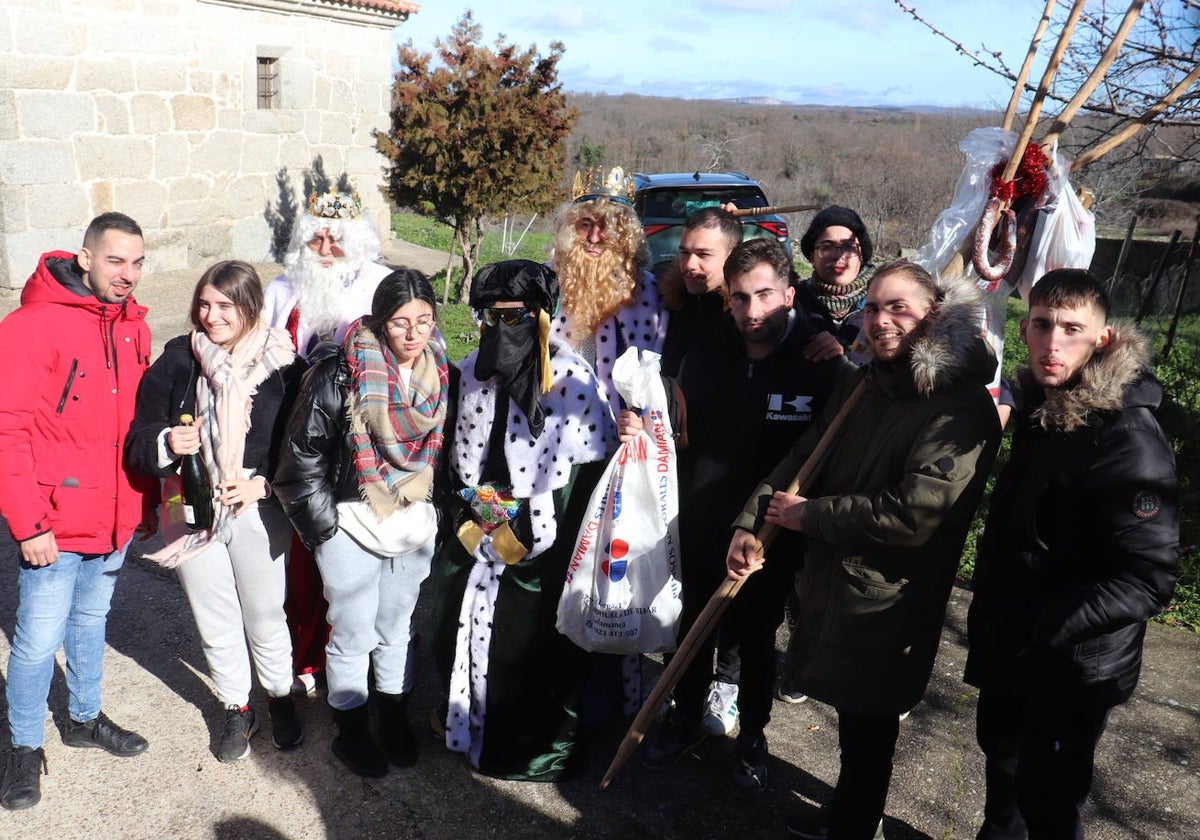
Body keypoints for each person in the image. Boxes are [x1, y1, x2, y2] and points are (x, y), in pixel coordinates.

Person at [727, 259, 1002, 839]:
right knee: (854, 723)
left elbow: (917, 513)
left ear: (936, 315)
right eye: (874, 307)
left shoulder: (961, 408)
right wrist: (754, 521)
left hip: (889, 596)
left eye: (899, 307)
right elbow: (807, 455)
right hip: (836, 577)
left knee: (871, 725)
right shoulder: (863, 382)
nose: (881, 321)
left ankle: (854, 830)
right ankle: (848, 822)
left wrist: (808, 517)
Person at [964, 268, 1179, 840]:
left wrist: (1046, 628)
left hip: (1069, 665)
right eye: (1040, 325)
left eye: (1071, 328)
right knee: (1004, 773)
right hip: (1017, 647)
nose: (1052, 343)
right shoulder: (1046, 408)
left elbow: (1148, 576)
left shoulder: (1127, 436)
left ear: (1102, 339)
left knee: (1050, 803)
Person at [640, 238, 853, 795]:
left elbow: (830, 448)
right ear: (727, 300)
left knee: (757, 636)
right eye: (739, 298)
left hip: (771, 533)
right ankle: (684, 717)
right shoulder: (706, 354)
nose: (752, 311)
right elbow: (673, 432)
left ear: (789, 293)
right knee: (691, 626)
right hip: (702, 518)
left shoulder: (821, 362)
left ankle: (752, 735)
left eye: (764, 295)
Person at [429, 259, 616, 781]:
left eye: (513, 317)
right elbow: (456, 457)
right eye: (488, 317)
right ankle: (463, 722)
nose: (498, 328)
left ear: (539, 316)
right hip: (475, 528)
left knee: (528, 647)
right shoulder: (469, 372)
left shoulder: (573, 383)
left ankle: (527, 748)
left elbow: (583, 484)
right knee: (448, 623)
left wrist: (528, 530)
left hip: (543, 547)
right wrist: (478, 508)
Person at [0, 212, 154, 811]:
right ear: (84, 257)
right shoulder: (30, 326)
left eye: (138, 263)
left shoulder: (133, 329)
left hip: (112, 516)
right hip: (54, 521)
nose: (128, 275)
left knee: (91, 624)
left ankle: (84, 718)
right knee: (37, 640)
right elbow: (7, 430)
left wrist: (143, 502)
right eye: (115, 260)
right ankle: (20, 747)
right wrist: (29, 521)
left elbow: (138, 428)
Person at [273, 269, 452, 779]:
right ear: (380, 321)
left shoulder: (442, 374)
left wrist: (438, 512)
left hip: (411, 524)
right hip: (352, 521)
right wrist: (325, 530)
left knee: (397, 628)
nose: (414, 334)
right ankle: (350, 732)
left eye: (424, 321)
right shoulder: (341, 372)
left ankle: (393, 716)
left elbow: (449, 457)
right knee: (352, 632)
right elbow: (300, 458)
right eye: (400, 323)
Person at [125, 260, 303, 764]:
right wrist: (166, 440)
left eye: (224, 305)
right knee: (214, 616)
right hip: (189, 507)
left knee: (266, 613)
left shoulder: (283, 366)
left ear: (250, 307)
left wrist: (261, 486)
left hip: (254, 507)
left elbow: (301, 447)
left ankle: (280, 695)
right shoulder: (180, 359)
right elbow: (139, 434)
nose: (211, 316)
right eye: (204, 304)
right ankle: (236, 706)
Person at [263, 187, 392, 693]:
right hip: (296, 443)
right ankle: (305, 655)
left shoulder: (384, 286)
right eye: (315, 235)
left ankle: (362, 659)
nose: (324, 246)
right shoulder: (281, 289)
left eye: (335, 238)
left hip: (360, 445)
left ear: (356, 241)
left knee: (358, 556)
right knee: (302, 554)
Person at [549, 166, 667, 409]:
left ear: (624, 233)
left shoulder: (650, 292)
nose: (594, 237)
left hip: (622, 427)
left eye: (605, 225)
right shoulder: (543, 283)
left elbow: (655, 376)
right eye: (585, 224)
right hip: (555, 423)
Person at [657, 206, 741, 377]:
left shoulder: (747, 316)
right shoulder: (664, 305)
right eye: (684, 253)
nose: (689, 265)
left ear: (732, 256)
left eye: (703, 255)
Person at [795, 205, 874, 364]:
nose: (839, 256)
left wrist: (848, 347)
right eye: (827, 247)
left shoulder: (880, 302)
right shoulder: (794, 301)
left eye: (849, 246)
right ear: (812, 257)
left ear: (862, 255)